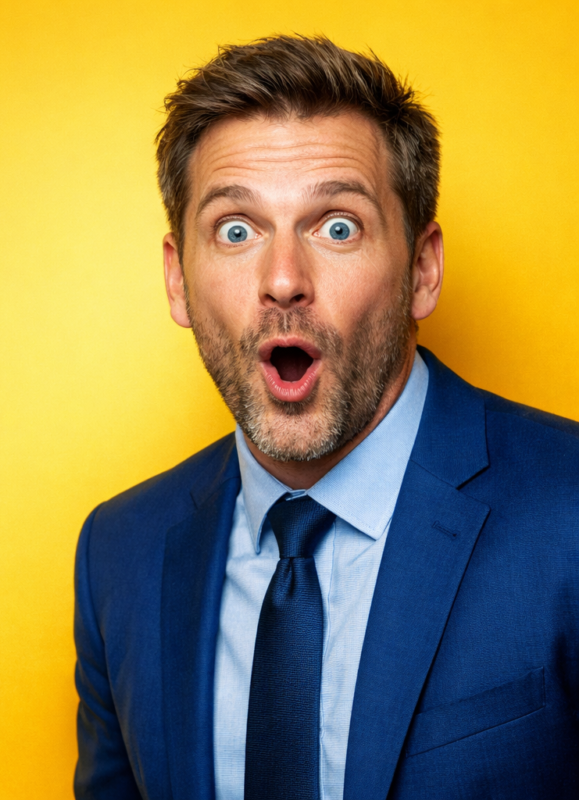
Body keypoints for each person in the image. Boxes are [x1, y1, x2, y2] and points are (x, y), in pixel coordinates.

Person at [73, 35, 579, 800]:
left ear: (422, 269)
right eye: (236, 231)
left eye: (337, 226)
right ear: (177, 280)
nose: (282, 281)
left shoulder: (568, 512)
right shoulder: (119, 554)